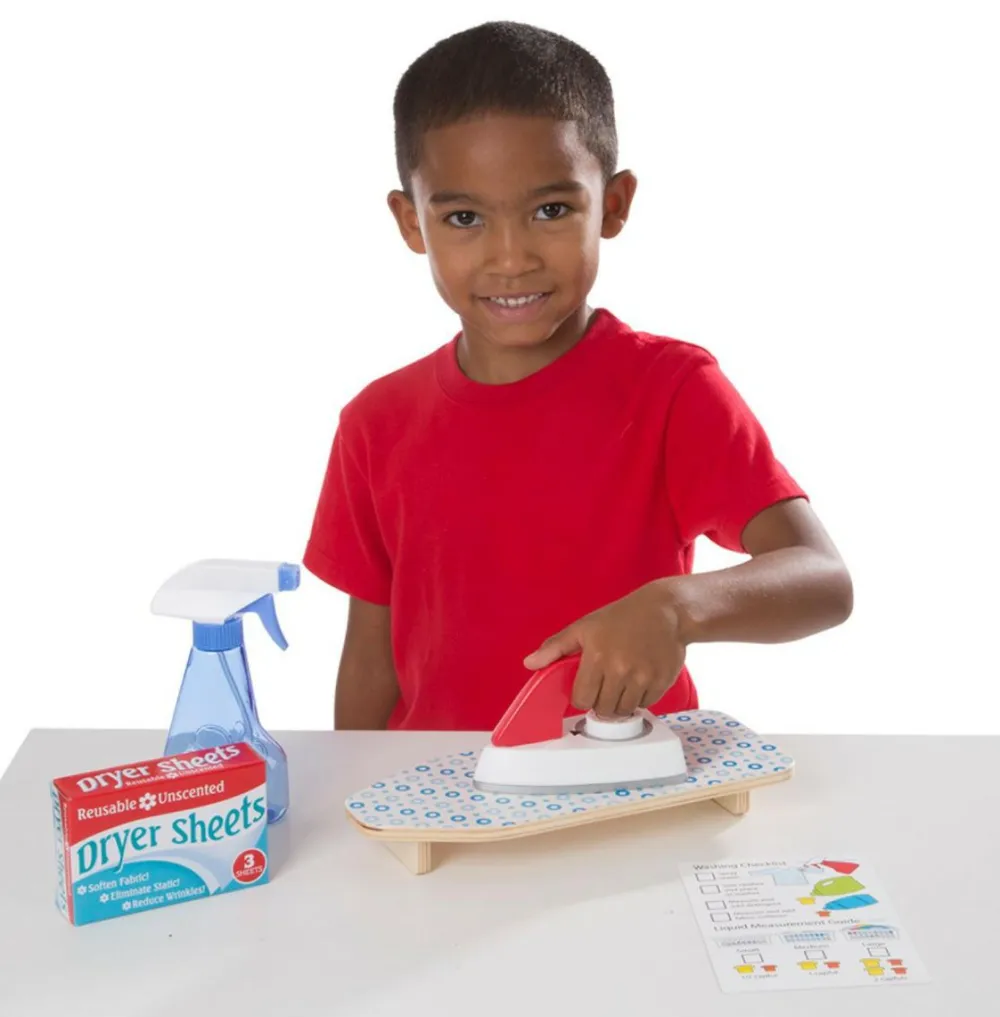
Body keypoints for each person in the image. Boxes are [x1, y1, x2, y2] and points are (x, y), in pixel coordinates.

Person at [302, 21, 852, 732]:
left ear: (613, 205)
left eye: (551, 211)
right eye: (464, 217)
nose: (511, 257)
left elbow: (821, 576)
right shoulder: (375, 423)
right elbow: (370, 663)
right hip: (436, 787)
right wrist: (355, 790)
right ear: (411, 223)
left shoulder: (671, 389)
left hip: (631, 780)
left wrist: (675, 607)